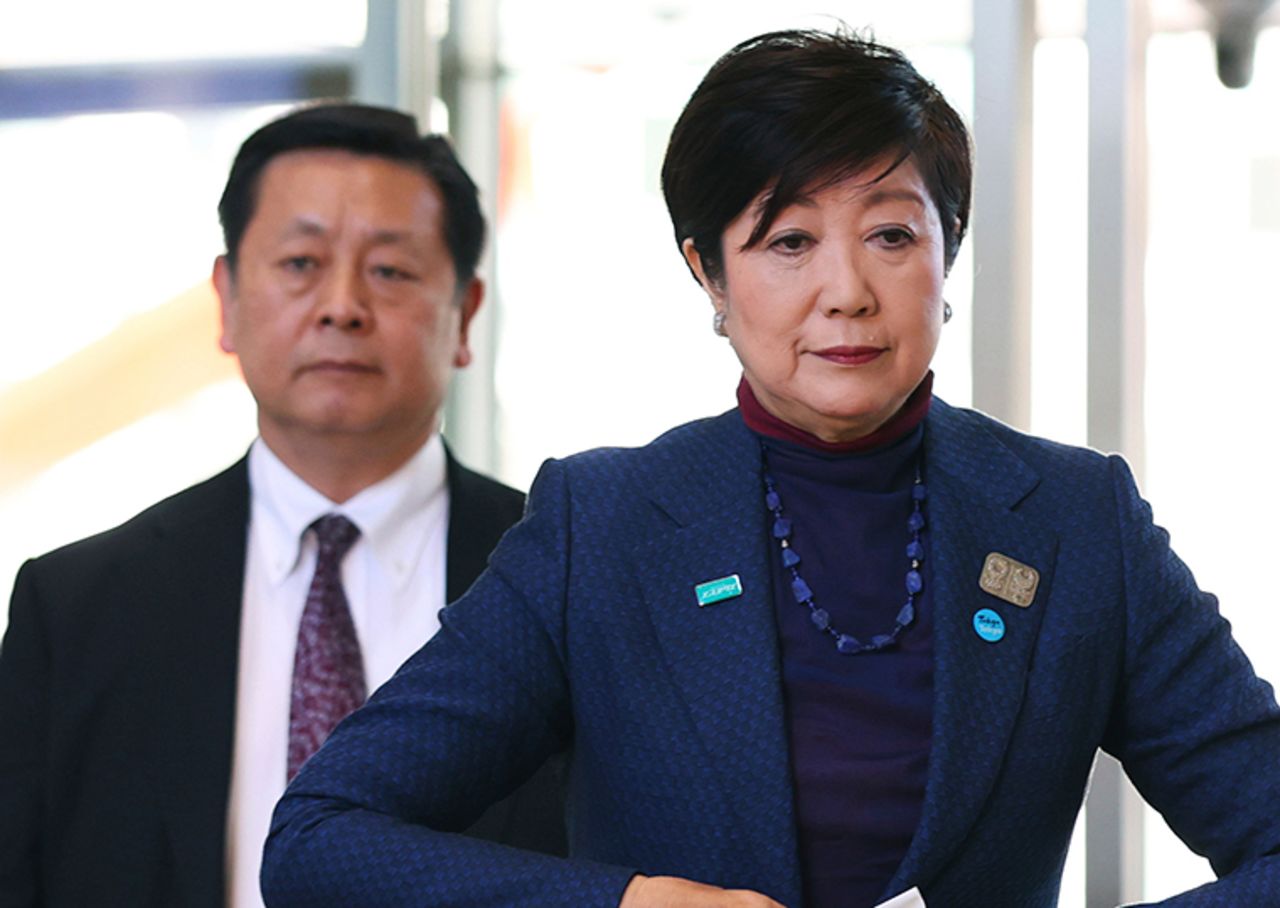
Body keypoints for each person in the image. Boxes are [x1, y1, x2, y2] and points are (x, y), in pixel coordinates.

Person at [260, 32, 1280, 908]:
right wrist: (627, 899)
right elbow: (319, 838)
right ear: (707, 271)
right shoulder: (602, 524)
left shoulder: (1071, 518)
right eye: (787, 239)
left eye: (890, 233)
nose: (846, 290)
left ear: (946, 251)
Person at [0, 103, 566, 908]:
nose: (342, 306)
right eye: (300, 262)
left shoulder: (573, 579)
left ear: (466, 314)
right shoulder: (79, 606)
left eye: (391, 270)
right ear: (226, 300)